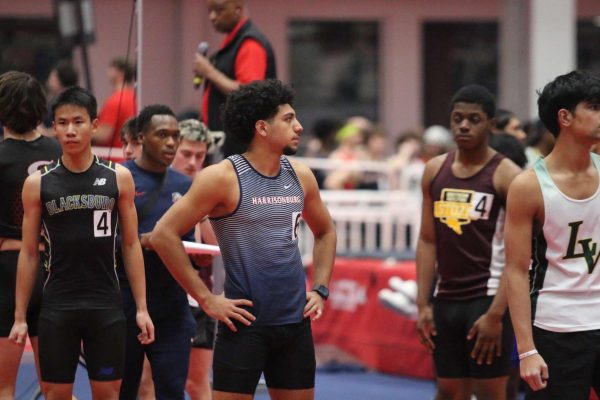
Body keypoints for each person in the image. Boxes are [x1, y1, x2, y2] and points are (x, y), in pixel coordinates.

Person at [150, 79, 337, 399]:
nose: (300, 127)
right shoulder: (221, 177)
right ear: (262, 128)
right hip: (243, 325)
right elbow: (163, 235)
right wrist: (207, 299)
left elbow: (326, 231)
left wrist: (320, 288)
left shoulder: (300, 175)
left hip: (294, 324)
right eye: (289, 119)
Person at [9, 86, 154, 399]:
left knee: (107, 394)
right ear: (54, 127)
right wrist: (20, 316)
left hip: (106, 307)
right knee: (56, 394)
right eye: (62, 123)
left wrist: (142, 308)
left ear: (95, 125)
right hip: (58, 306)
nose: (70, 130)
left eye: (78, 121)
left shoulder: (119, 177)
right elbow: (30, 252)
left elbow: (130, 244)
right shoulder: (38, 183)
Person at [416, 84, 521, 400]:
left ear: (490, 124)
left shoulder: (508, 176)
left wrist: (496, 314)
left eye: (473, 119)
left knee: (490, 392)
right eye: (457, 118)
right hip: (445, 299)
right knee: (448, 391)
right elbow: (426, 240)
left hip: (487, 299)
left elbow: (519, 257)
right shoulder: (435, 170)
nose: (463, 125)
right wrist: (423, 303)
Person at [505, 70, 600, 399]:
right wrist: (527, 350)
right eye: (595, 107)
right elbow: (516, 270)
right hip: (557, 327)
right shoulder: (528, 186)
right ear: (565, 117)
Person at [118, 104, 197, 400]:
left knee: (172, 392)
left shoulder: (185, 185)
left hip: (172, 306)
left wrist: (195, 257)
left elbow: (186, 239)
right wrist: (146, 241)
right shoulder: (119, 178)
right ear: (141, 137)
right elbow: (103, 241)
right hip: (124, 302)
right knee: (122, 393)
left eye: (175, 136)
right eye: (162, 135)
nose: (171, 143)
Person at [0, 71, 62, 399]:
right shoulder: (60, 153)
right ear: (40, 108)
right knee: (57, 390)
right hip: (57, 270)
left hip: (10, 271)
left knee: (4, 388)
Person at [171, 118, 217, 400]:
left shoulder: (207, 188)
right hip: (161, 297)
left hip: (199, 297)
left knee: (196, 383)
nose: (192, 162)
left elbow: (213, 247)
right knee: (148, 382)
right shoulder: (153, 188)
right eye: (186, 154)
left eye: (199, 156)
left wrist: (203, 208)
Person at [194, 0, 276, 158]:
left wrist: (209, 71)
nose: (212, 17)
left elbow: (249, 93)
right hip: (226, 144)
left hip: (239, 148)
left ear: (237, 9)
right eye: (210, 11)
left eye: (218, 10)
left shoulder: (250, 44)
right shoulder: (234, 42)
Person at [95, 58, 137, 148]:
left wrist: (79, 132)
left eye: (111, 68)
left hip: (113, 157)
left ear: (119, 73)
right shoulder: (133, 98)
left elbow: (104, 134)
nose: (107, 71)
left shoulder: (116, 100)